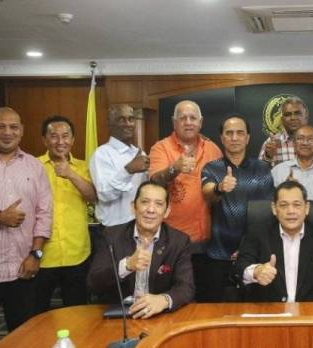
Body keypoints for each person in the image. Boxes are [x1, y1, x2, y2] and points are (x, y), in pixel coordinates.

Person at [0, 108, 52, 348]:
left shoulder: (34, 166)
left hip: (24, 269)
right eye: (0, 126)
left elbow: (44, 214)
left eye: (13, 127)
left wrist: (36, 255)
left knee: (24, 343)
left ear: (21, 131)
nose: (7, 132)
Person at [87, 181, 194, 318]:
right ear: (133, 207)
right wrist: (127, 265)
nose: (150, 209)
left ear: (167, 212)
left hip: (159, 315)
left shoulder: (179, 241)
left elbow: (186, 287)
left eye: (159, 204)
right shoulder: (111, 236)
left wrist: (164, 300)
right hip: (120, 316)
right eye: (145, 202)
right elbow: (93, 283)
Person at [149, 100, 221, 301]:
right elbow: (154, 181)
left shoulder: (213, 149)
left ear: (201, 121)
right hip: (172, 244)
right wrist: (175, 168)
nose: (188, 122)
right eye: (183, 118)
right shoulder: (160, 148)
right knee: (175, 299)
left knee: (207, 300)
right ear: (174, 122)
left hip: (207, 242)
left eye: (193, 118)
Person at [200, 114, 274, 302]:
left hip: (253, 256)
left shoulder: (263, 169)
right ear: (222, 137)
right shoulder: (212, 168)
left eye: (240, 133)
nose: (234, 138)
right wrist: (220, 187)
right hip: (218, 255)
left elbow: (266, 212)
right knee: (216, 312)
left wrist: (245, 248)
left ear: (248, 138)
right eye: (229, 133)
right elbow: (207, 193)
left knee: (253, 314)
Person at [235, 181, 313, 302]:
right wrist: (256, 272)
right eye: (283, 205)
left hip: (311, 315)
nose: (291, 211)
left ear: (307, 208)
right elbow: (240, 267)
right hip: (269, 313)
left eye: (297, 205)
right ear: (274, 208)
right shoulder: (257, 233)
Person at [35, 116, 97, 313]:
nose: (60, 142)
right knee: (38, 315)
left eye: (65, 136)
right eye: (53, 136)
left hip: (77, 252)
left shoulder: (84, 167)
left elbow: (93, 197)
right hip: (43, 254)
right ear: (44, 140)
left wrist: (70, 173)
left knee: (78, 313)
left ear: (73, 140)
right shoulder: (33, 166)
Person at [90, 104, 149, 226]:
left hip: (139, 227)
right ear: (109, 123)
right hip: (113, 230)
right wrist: (128, 170)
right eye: (121, 119)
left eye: (131, 119)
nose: (128, 124)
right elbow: (104, 194)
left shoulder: (140, 153)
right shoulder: (101, 154)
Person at [258, 96, 313, 166]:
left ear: (306, 116)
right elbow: (260, 177)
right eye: (288, 114)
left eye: (297, 113)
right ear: (282, 120)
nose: (293, 118)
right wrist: (268, 157)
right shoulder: (272, 143)